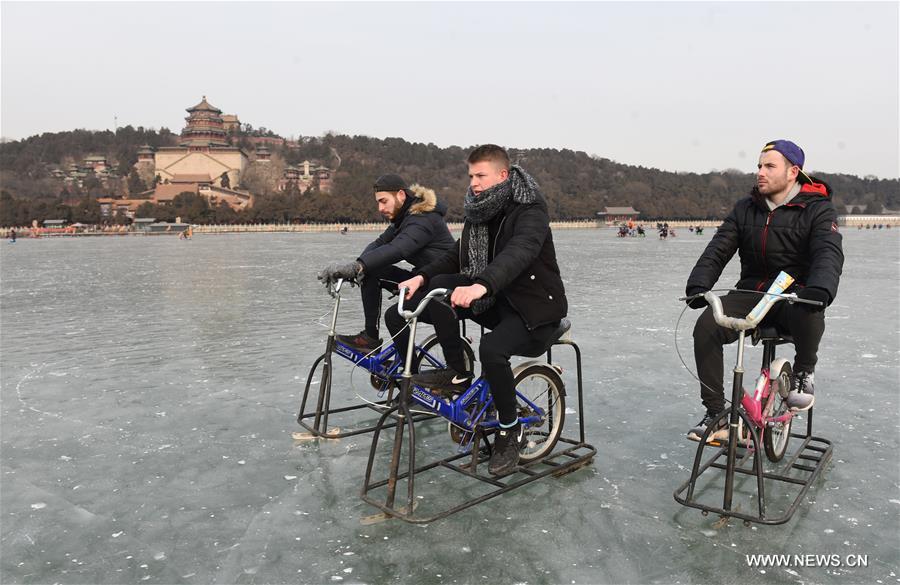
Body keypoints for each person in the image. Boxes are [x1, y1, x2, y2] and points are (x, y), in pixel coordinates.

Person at [385, 144, 568, 476]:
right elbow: (458, 255)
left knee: (492, 349)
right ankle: (457, 372)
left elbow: (520, 251)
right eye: (471, 176)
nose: (474, 183)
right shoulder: (478, 210)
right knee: (438, 285)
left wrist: (482, 284)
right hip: (498, 300)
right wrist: (420, 277)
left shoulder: (529, 209)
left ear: (502, 175)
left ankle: (509, 430)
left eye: (481, 175)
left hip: (535, 307)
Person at [684, 139, 844, 442]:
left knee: (810, 308)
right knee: (706, 326)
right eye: (759, 165)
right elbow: (719, 248)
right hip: (752, 293)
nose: (760, 172)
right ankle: (715, 412)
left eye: (769, 166)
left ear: (792, 171)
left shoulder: (818, 210)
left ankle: (803, 373)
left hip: (793, 294)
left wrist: (820, 287)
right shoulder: (746, 208)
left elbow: (828, 251)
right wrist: (699, 283)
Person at [317, 174, 454, 352]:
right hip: (420, 279)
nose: (380, 208)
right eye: (378, 203)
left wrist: (358, 266)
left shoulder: (424, 218)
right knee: (372, 270)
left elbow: (398, 249)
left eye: (383, 201)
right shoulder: (403, 217)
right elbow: (379, 244)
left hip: (441, 286)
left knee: (393, 316)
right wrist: (356, 268)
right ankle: (370, 338)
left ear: (401, 195)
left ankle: (410, 374)